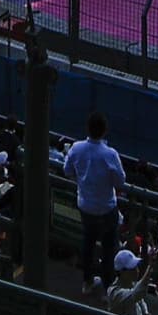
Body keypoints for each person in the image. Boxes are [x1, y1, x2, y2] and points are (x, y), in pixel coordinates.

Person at [65, 114, 128, 287]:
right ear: (104, 131)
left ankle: (87, 282)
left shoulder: (76, 148)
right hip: (107, 208)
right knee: (109, 249)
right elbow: (120, 181)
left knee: (88, 243)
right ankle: (108, 288)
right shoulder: (110, 154)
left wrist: (82, 181)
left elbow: (67, 170)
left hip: (86, 207)